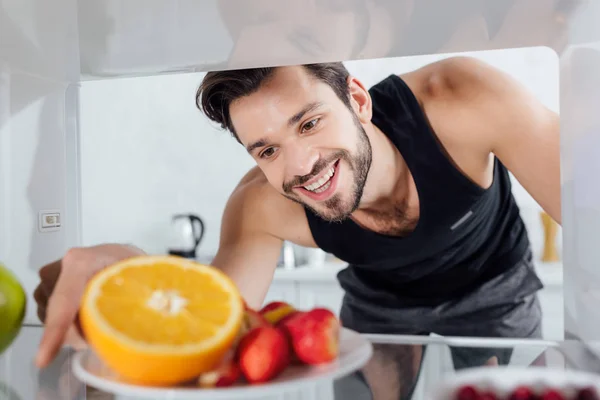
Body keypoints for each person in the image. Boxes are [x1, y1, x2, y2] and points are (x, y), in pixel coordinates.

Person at [34, 57, 560, 384]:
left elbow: (589, 204)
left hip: (497, 287)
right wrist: (127, 273)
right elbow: (208, 323)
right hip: (379, 305)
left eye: (309, 122)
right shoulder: (261, 206)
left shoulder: (463, 101)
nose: (301, 167)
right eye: (267, 150)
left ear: (357, 99)